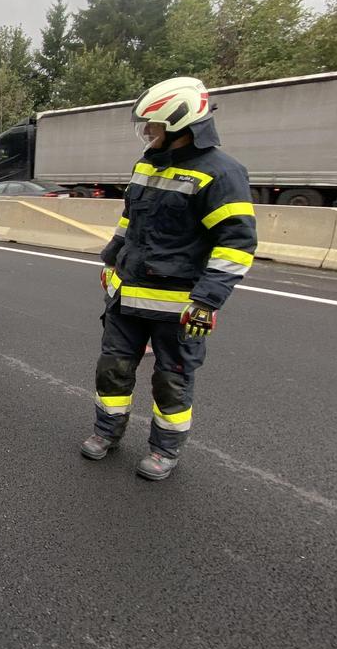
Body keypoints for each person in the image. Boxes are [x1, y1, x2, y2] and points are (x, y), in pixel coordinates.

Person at [80, 77, 257, 481]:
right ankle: (106, 432)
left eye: (154, 126)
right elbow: (131, 219)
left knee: (171, 381)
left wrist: (207, 301)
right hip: (127, 298)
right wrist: (111, 258)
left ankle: (165, 450)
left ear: (181, 127)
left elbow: (236, 243)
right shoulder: (147, 163)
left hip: (178, 307)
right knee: (113, 370)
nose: (146, 132)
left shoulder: (222, 174)